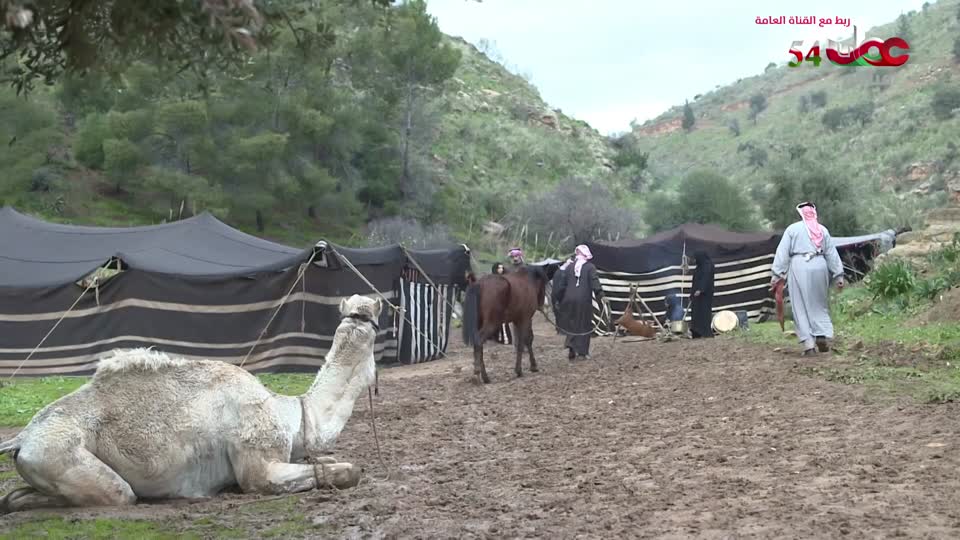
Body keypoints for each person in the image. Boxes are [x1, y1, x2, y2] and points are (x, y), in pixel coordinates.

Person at [771, 201, 845, 356]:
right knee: (819, 303)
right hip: (820, 264)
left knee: (800, 305)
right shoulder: (822, 230)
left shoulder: (792, 229)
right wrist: (838, 274)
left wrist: (777, 274)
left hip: (799, 265)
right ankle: (821, 334)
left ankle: (809, 345)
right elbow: (831, 253)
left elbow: (783, 252)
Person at [553, 245, 607, 360]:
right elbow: (595, 282)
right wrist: (601, 295)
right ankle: (582, 352)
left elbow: (562, 285)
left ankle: (571, 347)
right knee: (583, 324)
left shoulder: (569, 267)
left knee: (572, 323)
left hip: (568, 299)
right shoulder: (590, 267)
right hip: (583, 300)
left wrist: (559, 298)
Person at [689, 251, 715, 339]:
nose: (695, 260)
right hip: (697, 295)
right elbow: (695, 280)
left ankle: (705, 332)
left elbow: (705, 278)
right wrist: (692, 293)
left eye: (696, 258)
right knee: (696, 313)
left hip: (704, 295)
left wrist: (700, 289)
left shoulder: (707, 265)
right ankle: (696, 332)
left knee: (703, 313)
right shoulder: (699, 266)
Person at [490, 263, 512, 345]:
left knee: (503, 321)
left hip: (503, 302)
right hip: (495, 302)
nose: (501, 269)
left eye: (502, 268)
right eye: (499, 268)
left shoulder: (504, 278)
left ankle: (506, 339)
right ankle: (497, 338)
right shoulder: (492, 279)